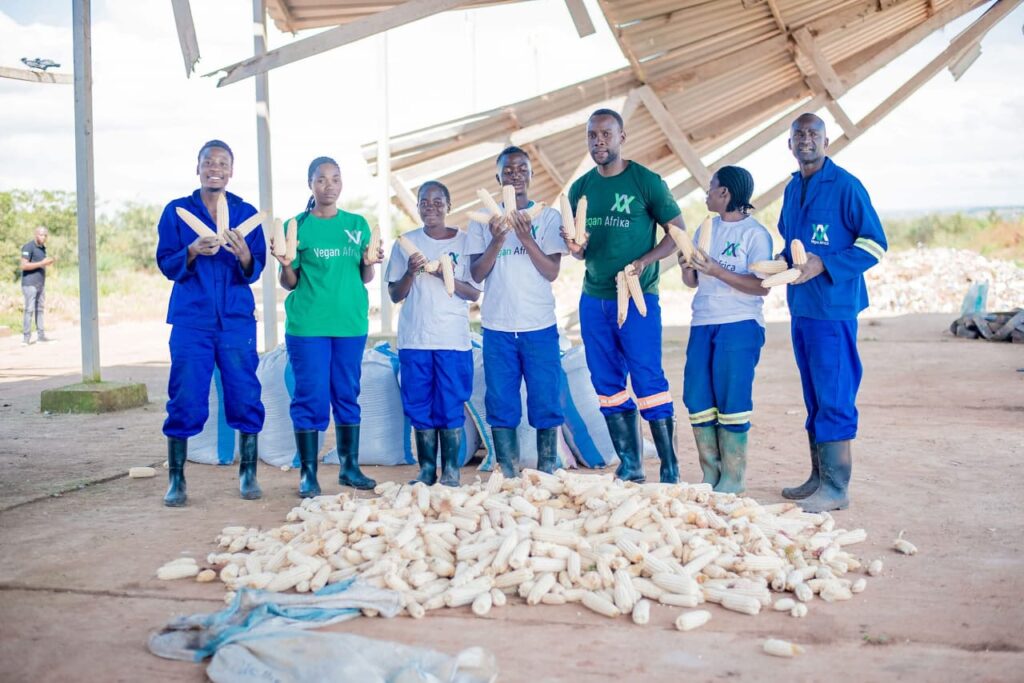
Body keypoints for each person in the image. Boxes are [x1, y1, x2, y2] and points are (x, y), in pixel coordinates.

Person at [563, 108, 690, 484]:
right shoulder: (581, 188)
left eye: (605, 134)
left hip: (637, 297)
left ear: (622, 137)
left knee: (648, 380)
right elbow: (578, 249)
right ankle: (631, 464)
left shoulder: (646, 182)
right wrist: (576, 247)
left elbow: (677, 232)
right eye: (592, 136)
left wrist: (644, 261)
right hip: (594, 297)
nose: (598, 142)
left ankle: (669, 466)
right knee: (606, 383)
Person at [778, 113, 887, 512]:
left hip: (834, 309)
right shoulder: (793, 189)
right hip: (802, 309)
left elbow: (876, 244)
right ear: (790, 145)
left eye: (813, 134)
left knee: (835, 393)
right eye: (798, 135)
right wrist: (779, 264)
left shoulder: (846, 187)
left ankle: (837, 488)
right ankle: (818, 477)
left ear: (826, 142)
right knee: (815, 396)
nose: (806, 140)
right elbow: (791, 243)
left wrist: (824, 264)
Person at [155, 140, 267, 507]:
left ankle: (248, 472)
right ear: (198, 167)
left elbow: (256, 268)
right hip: (192, 319)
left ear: (231, 171)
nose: (214, 168)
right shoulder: (176, 212)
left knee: (245, 392)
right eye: (208, 162)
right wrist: (191, 251)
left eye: (222, 162)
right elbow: (164, 261)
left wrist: (244, 253)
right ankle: (177, 479)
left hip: (235, 320)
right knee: (185, 395)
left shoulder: (246, 211)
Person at [274, 157, 384, 498]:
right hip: (308, 326)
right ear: (311, 184)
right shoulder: (297, 226)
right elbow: (289, 282)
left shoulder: (357, 224)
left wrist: (371, 262)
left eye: (335, 179)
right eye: (321, 179)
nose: (329, 185)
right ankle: (309, 474)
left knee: (347, 393)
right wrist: (285, 263)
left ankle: (349, 467)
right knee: (312, 396)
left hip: (350, 323)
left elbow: (364, 276)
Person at [467, 146, 567, 477]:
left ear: (531, 175)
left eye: (521, 169)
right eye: (507, 171)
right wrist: (497, 241)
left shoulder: (549, 217)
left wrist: (526, 237)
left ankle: (547, 469)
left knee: (546, 399)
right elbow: (477, 275)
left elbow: (551, 271)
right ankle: (508, 470)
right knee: (501, 401)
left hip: (538, 325)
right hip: (497, 327)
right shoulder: (484, 223)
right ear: (498, 178)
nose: (515, 175)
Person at [680, 166, 772, 494]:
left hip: (740, 324)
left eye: (710, 188)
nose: (706, 194)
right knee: (696, 395)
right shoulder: (704, 230)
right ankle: (710, 474)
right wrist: (686, 267)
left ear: (725, 194)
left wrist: (717, 270)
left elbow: (762, 287)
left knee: (732, 399)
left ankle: (733, 477)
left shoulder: (755, 235)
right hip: (703, 322)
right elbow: (692, 282)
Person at [386, 181, 481, 487]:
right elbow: (394, 295)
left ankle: (451, 470)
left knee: (450, 404)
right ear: (417, 208)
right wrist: (411, 272)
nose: (431, 207)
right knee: (419, 405)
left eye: (438, 202)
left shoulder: (465, 243)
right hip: (415, 339)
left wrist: (444, 273)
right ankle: (427, 470)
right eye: (424, 202)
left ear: (448, 206)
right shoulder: (406, 243)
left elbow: (472, 293)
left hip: (452, 340)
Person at [20, 226, 53, 345]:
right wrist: (42, 263)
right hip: (29, 284)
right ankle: (26, 338)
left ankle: (41, 336)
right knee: (29, 310)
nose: (43, 237)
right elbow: (23, 265)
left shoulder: (43, 248)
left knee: (40, 310)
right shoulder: (28, 247)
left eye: (45, 235)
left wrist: (47, 263)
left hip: (40, 284)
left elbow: (40, 264)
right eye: (41, 234)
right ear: (36, 234)